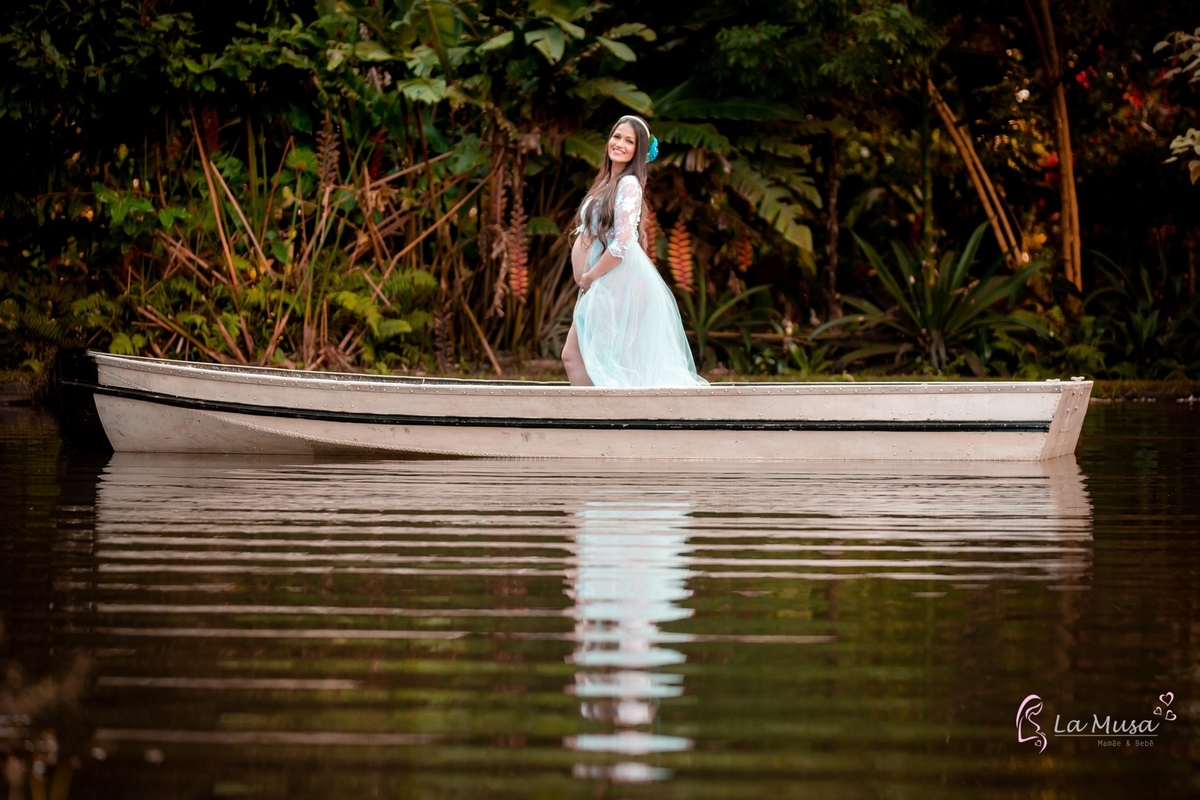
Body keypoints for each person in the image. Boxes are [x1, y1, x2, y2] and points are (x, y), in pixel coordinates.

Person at [561, 116, 708, 388]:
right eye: (617, 136)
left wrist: (591, 276)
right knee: (582, 358)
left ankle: (608, 412)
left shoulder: (628, 184)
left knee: (593, 359)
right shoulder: (607, 180)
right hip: (600, 283)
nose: (619, 144)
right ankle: (596, 412)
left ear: (638, 151)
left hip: (612, 281)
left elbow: (622, 243)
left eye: (629, 141)